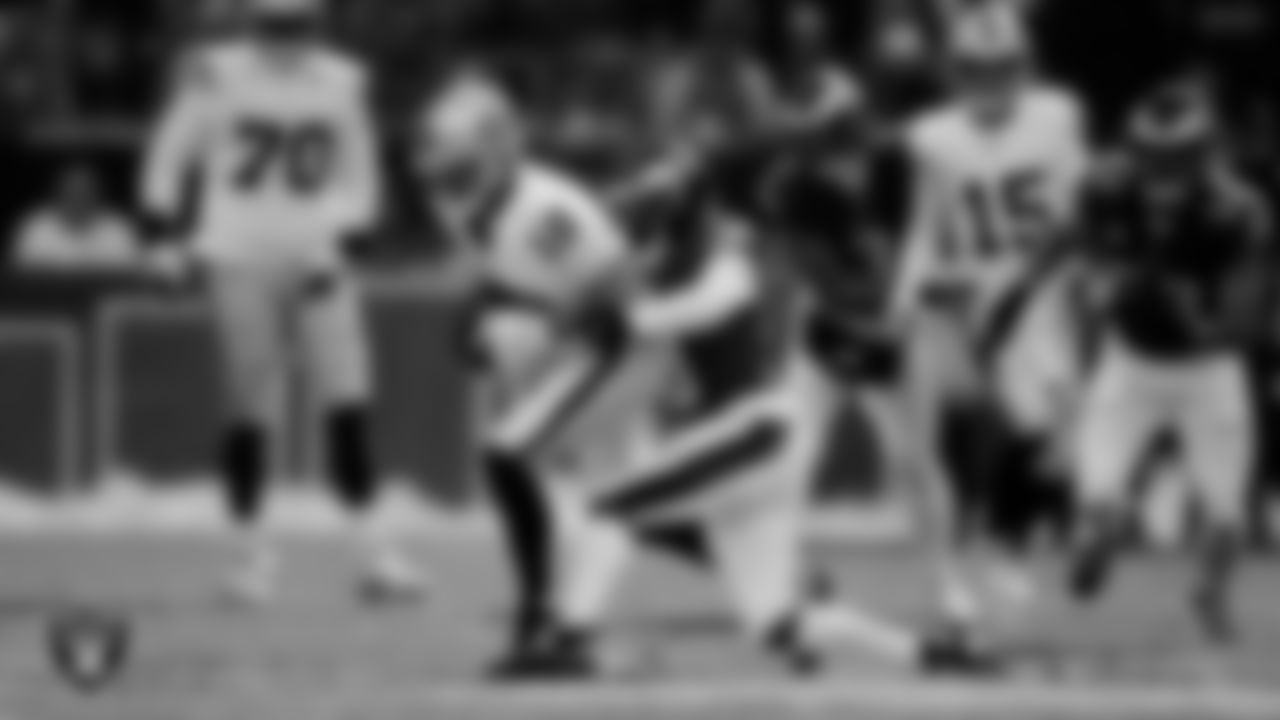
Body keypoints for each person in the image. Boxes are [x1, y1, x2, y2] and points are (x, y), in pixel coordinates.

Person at [515, 149, 1003, 679]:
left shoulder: (733, 270)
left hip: (756, 436)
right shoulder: (735, 258)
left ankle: (567, 639)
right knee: (778, 628)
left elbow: (637, 314)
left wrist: (576, 304)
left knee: (603, 509)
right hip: (761, 459)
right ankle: (935, 656)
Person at [139, 0, 425, 607]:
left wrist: (339, 240)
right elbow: (169, 157)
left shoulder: (343, 79)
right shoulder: (216, 72)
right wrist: (160, 232)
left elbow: (363, 180)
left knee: (348, 407)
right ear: (252, 25)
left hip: (316, 257)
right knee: (250, 413)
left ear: (317, 25)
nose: (285, 42)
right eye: (275, 28)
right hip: (237, 256)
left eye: (295, 28)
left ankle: (374, 554)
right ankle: (251, 559)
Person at [414, 72, 648, 675]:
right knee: (631, 496)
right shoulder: (466, 202)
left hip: (614, 346)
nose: (444, 176)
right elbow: (503, 266)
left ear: (496, 150)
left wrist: (548, 329)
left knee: (509, 458)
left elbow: (620, 283)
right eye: (442, 163)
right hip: (579, 348)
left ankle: (538, 621)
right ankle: (786, 584)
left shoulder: (545, 207)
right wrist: (489, 302)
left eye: (459, 163)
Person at [891, 5, 1090, 627]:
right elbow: (925, 223)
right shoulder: (930, 135)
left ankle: (1013, 536)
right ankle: (965, 569)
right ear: (954, 71)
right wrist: (906, 289)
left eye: (1001, 68)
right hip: (964, 293)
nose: (989, 81)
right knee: (943, 443)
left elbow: (1079, 208)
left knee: (1059, 436)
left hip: (1040, 289)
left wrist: (1068, 275)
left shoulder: (1058, 116)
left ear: (1024, 66)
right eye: (975, 69)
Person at [1068, 80, 1270, 643]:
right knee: (1098, 495)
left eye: (1175, 161)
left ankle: (1209, 591)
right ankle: (1102, 532)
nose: (1161, 175)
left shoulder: (1237, 212)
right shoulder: (1105, 187)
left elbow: (1241, 325)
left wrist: (1185, 309)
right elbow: (1087, 267)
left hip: (1206, 370)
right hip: (1130, 359)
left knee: (1227, 517)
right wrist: (1108, 291)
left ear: (1203, 156)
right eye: (1152, 159)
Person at [14, 165, 143, 273]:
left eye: (85, 192)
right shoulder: (36, 226)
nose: (78, 199)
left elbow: (131, 280)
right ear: (58, 194)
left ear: (98, 195)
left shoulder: (118, 228)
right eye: (71, 192)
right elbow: (20, 279)